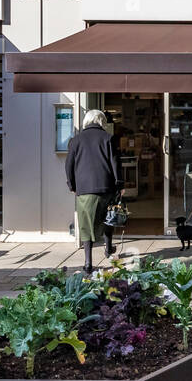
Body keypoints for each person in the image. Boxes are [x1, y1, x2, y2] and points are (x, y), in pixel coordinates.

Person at [65, 108, 121, 271]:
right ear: (101, 121)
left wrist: (72, 185)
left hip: (85, 189)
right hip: (107, 187)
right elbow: (115, 164)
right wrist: (120, 185)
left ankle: (88, 262)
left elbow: (69, 165)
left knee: (86, 225)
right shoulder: (108, 138)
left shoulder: (76, 140)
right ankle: (108, 249)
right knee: (108, 219)